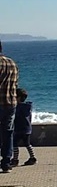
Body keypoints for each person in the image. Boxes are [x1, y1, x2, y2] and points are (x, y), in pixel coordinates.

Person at [0, 40, 19, 173]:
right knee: (7, 132)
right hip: (10, 102)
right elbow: (16, 84)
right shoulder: (12, 63)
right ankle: (6, 162)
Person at [11, 88, 35, 166]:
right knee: (27, 144)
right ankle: (32, 157)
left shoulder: (18, 107)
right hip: (27, 129)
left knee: (15, 144)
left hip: (18, 129)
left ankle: (15, 159)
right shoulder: (27, 107)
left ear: (18, 98)